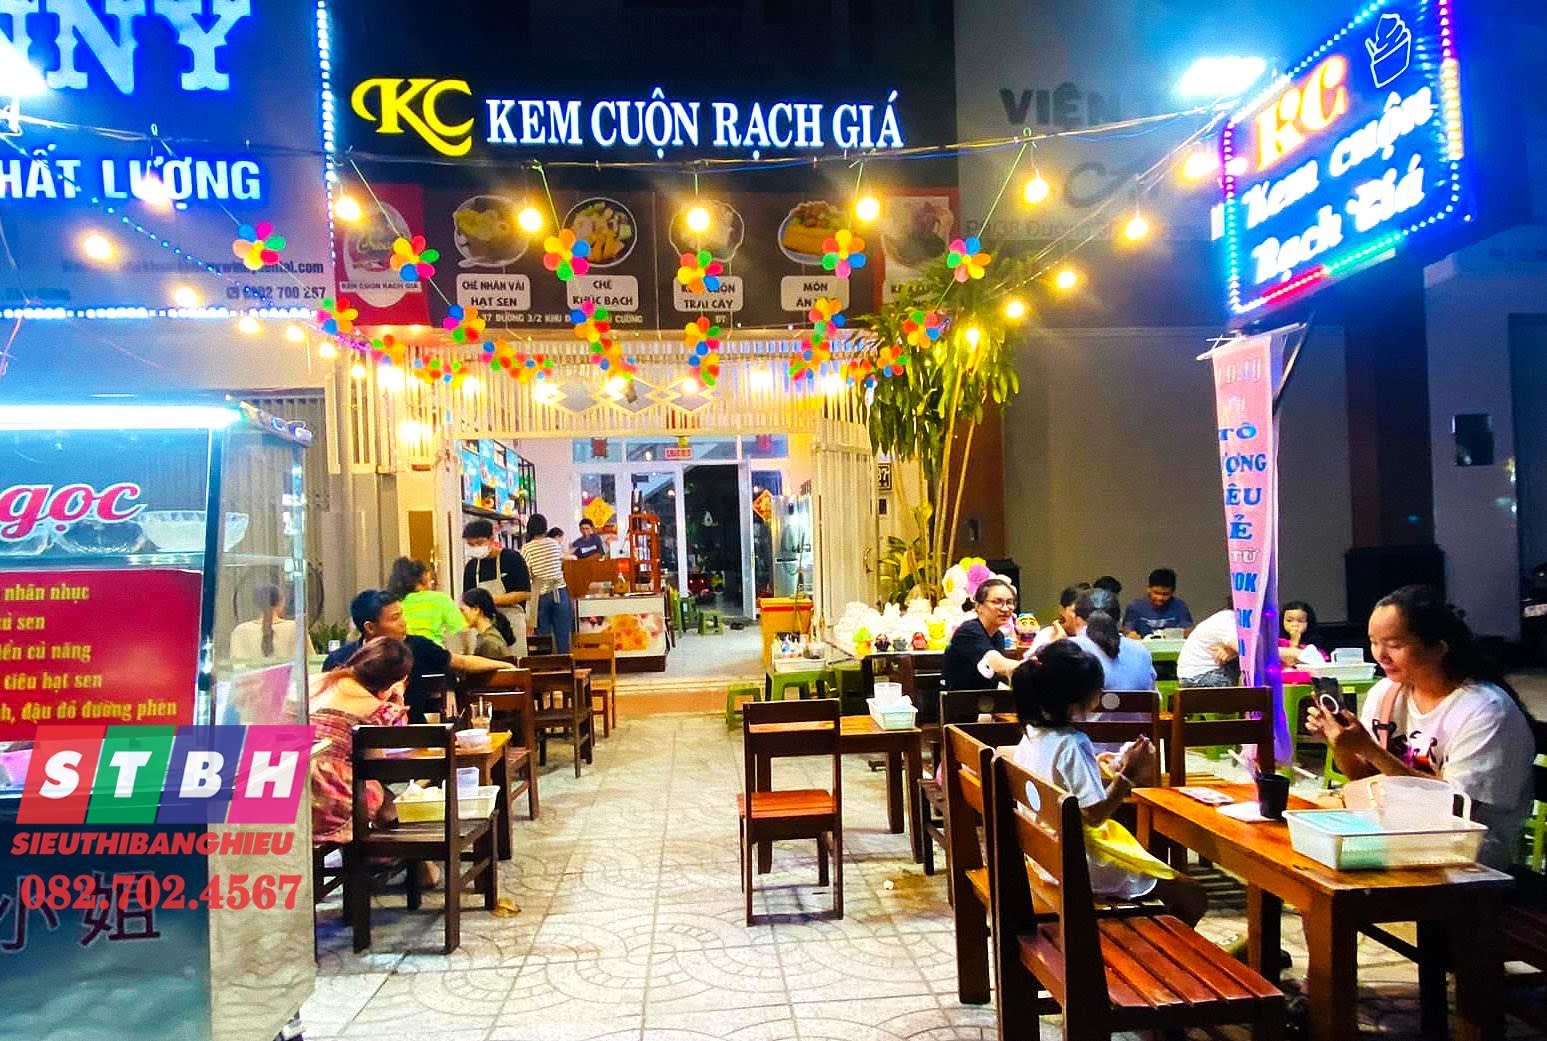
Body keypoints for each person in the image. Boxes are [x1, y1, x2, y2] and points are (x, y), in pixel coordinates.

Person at [1308, 585, 1535, 868]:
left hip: (1466, 853)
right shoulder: (1386, 693)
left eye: (1394, 645)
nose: (1381, 655)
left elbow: (1454, 806)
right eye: (1374, 642)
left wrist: (1370, 750)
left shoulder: (1486, 710)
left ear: (1438, 648)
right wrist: (1340, 743)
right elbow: (1361, 780)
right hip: (1397, 832)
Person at [1010, 641, 1207, 924]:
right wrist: (1129, 774)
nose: (1100, 696)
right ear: (1073, 700)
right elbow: (1094, 814)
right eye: (1097, 690)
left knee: (1171, 883)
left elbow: (1060, 780)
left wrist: (1097, 762)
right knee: (1191, 895)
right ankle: (1162, 948)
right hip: (1080, 863)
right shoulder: (1072, 743)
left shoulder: (1032, 734)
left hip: (1047, 856)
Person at [323, 590, 508, 721]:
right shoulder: (340, 660)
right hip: (356, 738)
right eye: (395, 618)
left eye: (402, 615)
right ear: (370, 627)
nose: (403, 623)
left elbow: (461, 662)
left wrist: (506, 666)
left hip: (413, 732)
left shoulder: (417, 646)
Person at [309, 637, 412, 844]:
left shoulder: (312, 681)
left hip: (275, 783)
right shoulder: (373, 707)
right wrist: (394, 702)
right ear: (393, 682)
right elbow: (376, 767)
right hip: (322, 795)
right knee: (382, 793)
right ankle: (383, 856)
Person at [462, 519, 530, 658]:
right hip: (483, 626)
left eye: (479, 543)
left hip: (512, 622)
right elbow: (468, 599)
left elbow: (524, 593)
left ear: (491, 539)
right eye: (471, 544)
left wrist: (490, 601)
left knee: (514, 662)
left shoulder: (512, 558)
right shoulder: (471, 567)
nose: (475, 547)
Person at [942, 577, 1022, 690]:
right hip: (959, 698)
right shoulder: (969, 630)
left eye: (1009, 602)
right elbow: (995, 663)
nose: (1005, 609)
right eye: (997, 602)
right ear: (978, 606)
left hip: (986, 698)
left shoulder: (998, 636)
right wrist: (1031, 668)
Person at [1071, 590, 1156, 691]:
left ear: (1076, 619)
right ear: (1119, 620)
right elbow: (1152, 693)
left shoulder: (1069, 648)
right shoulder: (1140, 650)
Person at [386, 557, 469, 649]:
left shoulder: (394, 603)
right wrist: (466, 650)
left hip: (403, 652)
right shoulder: (440, 599)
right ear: (424, 577)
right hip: (433, 651)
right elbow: (461, 630)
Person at [523, 513, 573, 653]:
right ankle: (565, 665)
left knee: (543, 637)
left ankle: (545, 665)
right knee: (563, 636)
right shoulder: (554, 544)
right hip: (560, 592)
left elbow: (527, 574)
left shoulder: (527, 548)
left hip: (541, 595)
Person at [1176, 604, 1240, 687]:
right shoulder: (1228, 620)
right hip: (1200, 676)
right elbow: (1246, 652)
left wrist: (1234, 652)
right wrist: (1236, 652)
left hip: (1198, 673)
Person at [1121, 567, 1195, 638]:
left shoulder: (1180, 606)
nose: (1160, 598)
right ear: (1148, 589)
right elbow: (1127, 630)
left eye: (1165, 594)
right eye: (1156, 593)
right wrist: (1131, 635)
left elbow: (1189, 631)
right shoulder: (1135, 607)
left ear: (1173, 592)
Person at [230, 583, 297, 661]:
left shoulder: (240, 630)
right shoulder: (295, 628)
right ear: (281, 602)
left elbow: (236, 663)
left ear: (256, 603)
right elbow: (307, 661)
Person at [1029, 583, 1091, 654]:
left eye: (1086, 611)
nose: (1081, 617)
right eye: (1075, 611)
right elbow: (1030, 659)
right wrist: (1056, 643)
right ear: (1062, 610)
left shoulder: (1094, 636)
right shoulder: (1047, 634)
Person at [1278, 599, 1327, 682]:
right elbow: (1289, 662)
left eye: (1300, 621)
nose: (1294, 624)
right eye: (1289, 620)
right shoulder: (1277, 642)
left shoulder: (1313, 646)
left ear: (1308, 622)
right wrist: (1294, 642)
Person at [460, 587, 514, 660]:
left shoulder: (489, 642)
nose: (461, 615)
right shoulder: (486, 637)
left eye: (462, 610)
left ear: (476, 609)